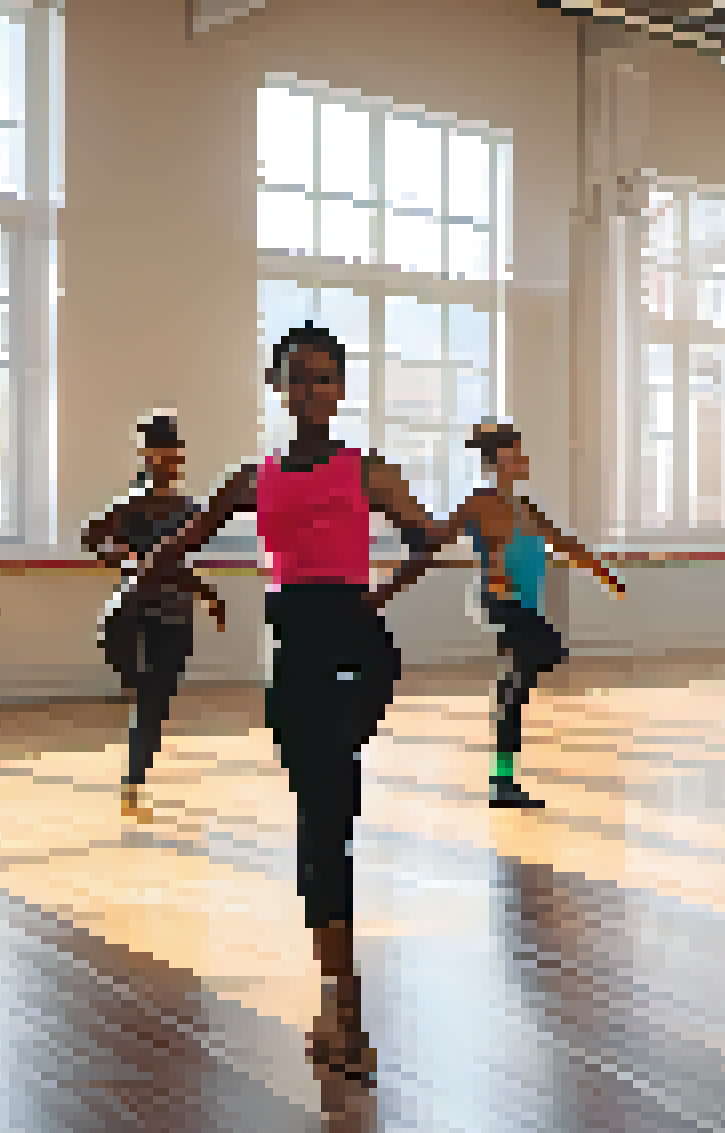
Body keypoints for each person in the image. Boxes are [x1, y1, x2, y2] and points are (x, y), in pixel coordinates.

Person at [142, 321, 449, 1089]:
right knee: (322, 821)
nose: (312, 389)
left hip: (359, 655)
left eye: (325, 376)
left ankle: (342, 1007)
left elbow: (424, 538)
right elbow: (175, 546)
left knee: (328, 810)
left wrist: (377, 595)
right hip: (295, 662)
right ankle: (340, 999)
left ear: (341, 389)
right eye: (298, 376)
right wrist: (156, 580)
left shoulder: (369, 472)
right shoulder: (253, 478)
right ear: (278, 387)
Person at [445, 422, 626, 809]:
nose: (526, 460)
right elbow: (438, 534)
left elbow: (565, 543)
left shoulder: (525, 508)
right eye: (518, 453)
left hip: (523, 606)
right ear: (500, 461)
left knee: (517, 692)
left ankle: (503, 778)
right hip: (498, 602)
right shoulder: (481, 502)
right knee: (545, 648)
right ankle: (502, 765)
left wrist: (604, 574)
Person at [81, 412, 226, 815]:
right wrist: (128, 562)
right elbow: (92, 536)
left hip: (174, 614)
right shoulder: (133, 503)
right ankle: (135, 772)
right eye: (154, 456)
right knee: (143, 692)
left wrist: (206, 594)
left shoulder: (190, 508)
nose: (162, 464)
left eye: (169, 456)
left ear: (179, 458)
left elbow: (178, 566)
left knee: (154, 700)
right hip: (132, 610)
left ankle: (134, 776)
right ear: (144, 458)